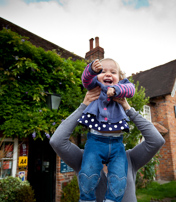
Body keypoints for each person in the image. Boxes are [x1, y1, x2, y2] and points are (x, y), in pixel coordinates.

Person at [50, 87, 165, 202]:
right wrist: (84, 107)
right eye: (100, 123)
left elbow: (156, 140)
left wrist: (128, 109)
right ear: (91, 129)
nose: (106, 125)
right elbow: (57, 141)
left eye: (113, 123)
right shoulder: (81, 159)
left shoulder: (130, 158)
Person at [77, 58, 135, 202]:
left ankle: (112, 200)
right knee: (88, 173)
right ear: (97, 76)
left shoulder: (121, 87)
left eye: (113, 72)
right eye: (103, 71)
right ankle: (87, 199)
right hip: (95, 142)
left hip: (117, 145)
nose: (108, 74)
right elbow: (85, 80)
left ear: (120, 78)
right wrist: (91, 69)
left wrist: (116, 90)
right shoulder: (94, 86)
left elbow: (131, 89)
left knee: (120, 177)